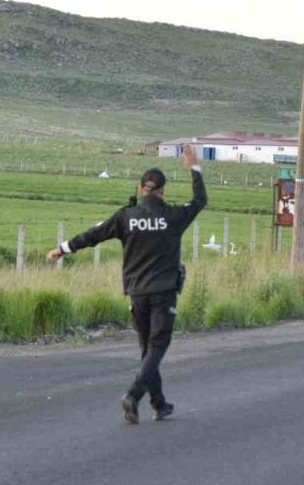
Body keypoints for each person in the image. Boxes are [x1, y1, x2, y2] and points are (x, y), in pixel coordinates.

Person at [46, 144, 207, 424]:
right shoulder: (173, 217)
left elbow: (93, 235)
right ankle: (133, 395)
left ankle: (159, 403)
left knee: (147, 350)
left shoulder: (125, 217)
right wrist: (194, 168)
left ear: (140, 188)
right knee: (157, 346)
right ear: (162, 191)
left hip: (136, 293)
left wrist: (63, 249)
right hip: (164, 292)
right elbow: (200, 201)